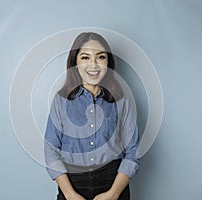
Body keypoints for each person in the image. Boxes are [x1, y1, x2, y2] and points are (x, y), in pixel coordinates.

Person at [44, 32, 139, 200]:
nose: (93, 65)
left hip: (113, 182)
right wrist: (70, 195)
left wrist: (113, 194)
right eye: (85, 58)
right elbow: (51, 151)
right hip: (72, 184)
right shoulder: (60, 101)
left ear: (108, 62)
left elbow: (133, 151)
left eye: (100, 57)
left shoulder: (122, 100)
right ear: (75, 62)